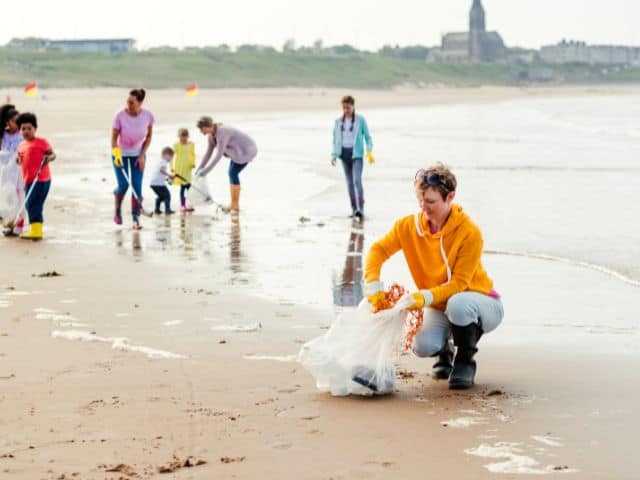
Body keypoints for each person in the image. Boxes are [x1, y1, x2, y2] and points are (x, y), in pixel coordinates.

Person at [364, 163, 503, 389]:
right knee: (422, 346)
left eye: (431, 202)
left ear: (450, 197)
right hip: (439, 305)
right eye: (421, 201)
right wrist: (373, 284)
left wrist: (423, 297)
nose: (424, 208)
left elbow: (459, 284)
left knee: (459, 304)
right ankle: (444, 352)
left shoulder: (470, 233)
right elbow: (378, 250)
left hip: (481, 303)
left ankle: (465, 360)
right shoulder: (408, 227)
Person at [111, 88, 154, 229]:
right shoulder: (119, 115)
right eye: (127, 102)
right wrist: (116, 154)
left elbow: (148, 137)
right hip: (120, 154)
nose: (128, 105)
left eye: (132, 102)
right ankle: (117, 209)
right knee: (123, 185)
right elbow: (113, 138)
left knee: (136, 186)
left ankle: (136, 219)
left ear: (140, 103)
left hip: (138, 155)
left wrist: (142, 155)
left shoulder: (148, 116)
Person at [195, 116, 257, 214]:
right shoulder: (211, 136)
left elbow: (218, 155)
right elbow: (208, 154)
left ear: (208, 126)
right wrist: (199, 169)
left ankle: (234, 205)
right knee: (231, 173)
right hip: (237, 152)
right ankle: (234, 205)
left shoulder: (222, 133)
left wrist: (205, 171)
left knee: (233, 173)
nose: (200, 131)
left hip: (247, 150)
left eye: (201, 129)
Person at [331, 95, 374, 221]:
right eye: (344, 108)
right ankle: (354, 210)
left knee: (357, 181)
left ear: (353, 106)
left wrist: (369, 151)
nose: (346, 110)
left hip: (357, 155)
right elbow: (335, 140)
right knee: (349, 184)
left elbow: (368, 138)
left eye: (348, 107)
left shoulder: (360, 120)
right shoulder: (338, 122)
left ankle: (361, 209)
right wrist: (334, 155)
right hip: (344, 155)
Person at [16, 112, 56, 240]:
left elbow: (53, 155)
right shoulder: (21, 145)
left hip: (41, 179)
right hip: (28, 180)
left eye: (29, 128)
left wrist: (48, 159)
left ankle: (37, 231)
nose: (26, 131)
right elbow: (20, 158)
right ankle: (35, 228)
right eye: (23, 129)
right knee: (29, 204)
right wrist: (18, 160)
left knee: (34, 204)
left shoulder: (41, 142)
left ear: (35, 129)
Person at [0, 104, 26, 235]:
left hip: (20, 172)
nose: (17, 123)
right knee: (7, 198)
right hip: (6, 173)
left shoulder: (23, 134)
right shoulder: (3, 135)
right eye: (14, 121)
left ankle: (20, 224)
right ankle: (9, 224)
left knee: (20, 196)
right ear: (7, 122)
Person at [172, 128, 196, 213]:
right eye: (181, 138)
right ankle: (183, 205)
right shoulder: (176, 145)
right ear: (179, 137)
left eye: (185, 138)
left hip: (188, 168)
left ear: (188, 137)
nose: (183, 139)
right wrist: (172, 167)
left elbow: (193, 154)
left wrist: (193, 163)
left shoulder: (191, 144)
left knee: (189, 187)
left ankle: (190, 204)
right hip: (179, 168)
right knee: (182, 187)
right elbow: (171, 157)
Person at [149, 147, 175, 215]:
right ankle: (167, 210)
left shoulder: (160, 161)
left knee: (161, 196)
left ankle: (157, 210)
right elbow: (161, 170)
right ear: (166, 155)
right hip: (158, 184)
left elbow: (159, 174)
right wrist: (170, 175)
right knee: (167, 196)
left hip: (153, 183)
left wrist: (167, 179)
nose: (171, 159)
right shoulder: (164, 162)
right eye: (171, 157)